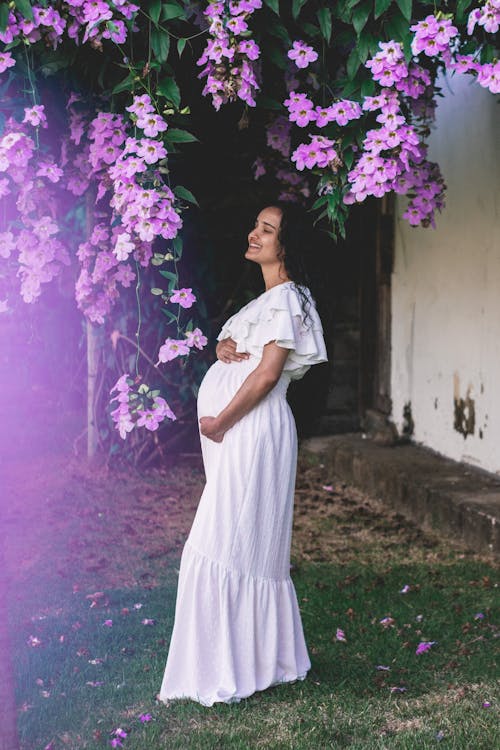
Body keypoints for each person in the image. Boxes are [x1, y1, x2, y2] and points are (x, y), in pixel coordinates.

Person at [158, 203, 328, 706]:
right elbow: (241, 350)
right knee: (239, 542)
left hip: (251, 431)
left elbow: (268, 375)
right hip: (242, 432)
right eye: (255, 224)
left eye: (267, 229)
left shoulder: (289, 298)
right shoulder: (269, 300)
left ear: (286, 246)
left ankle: (228, 667)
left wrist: (220, 421)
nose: (253, 233)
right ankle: (252, 660)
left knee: (224, 543)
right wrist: (223, 350)